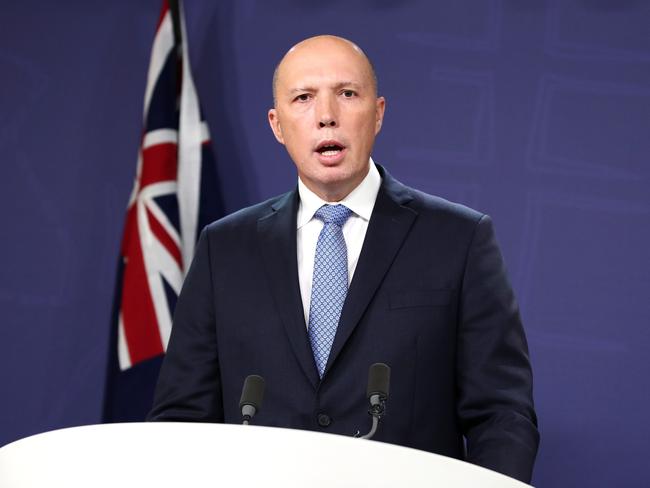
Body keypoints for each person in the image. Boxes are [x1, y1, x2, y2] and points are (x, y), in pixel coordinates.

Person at [148, 35, 539, 483]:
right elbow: (181, 418)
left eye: (347, 94)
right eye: (304, 98)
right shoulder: (225, 248)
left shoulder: (458, 238)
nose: (326, 116)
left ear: (378, 113)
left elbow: (501, 413)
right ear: (277, 125)